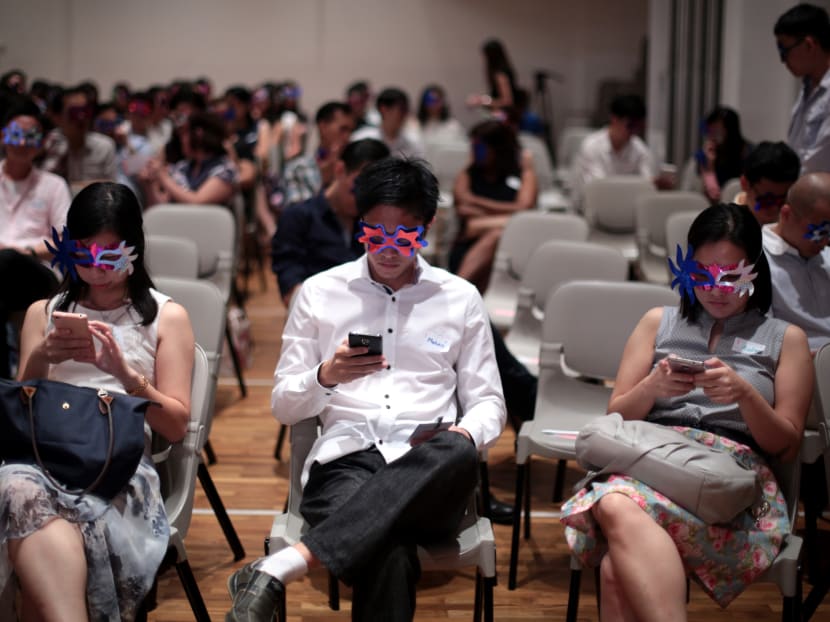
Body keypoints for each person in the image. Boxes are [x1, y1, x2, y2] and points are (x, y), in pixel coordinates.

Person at [226, 157, 506, 622]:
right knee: (388, 550)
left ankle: (278, 566)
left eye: (404, 236)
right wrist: (326, 375)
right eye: (375, 234)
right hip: (346, 461)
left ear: (429, 227)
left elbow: (490, 404)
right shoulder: (319, 293)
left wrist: (464, 434)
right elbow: (282, 404)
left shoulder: (459, 297)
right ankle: (278, 568)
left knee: (458, 447)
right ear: (359, 225)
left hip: (431, 467)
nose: (388, 249)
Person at [560, 202, 812, 619]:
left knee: (614, 527)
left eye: (731, 276)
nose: (716, 289)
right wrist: (653, 387)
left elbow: (786, 445)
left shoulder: (786, 339)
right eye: (702, 275)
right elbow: (617, 414)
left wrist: (744, 395)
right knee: (615, 540)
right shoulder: (657, 322)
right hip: (650, 459)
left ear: (755, 270)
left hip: (729, 485)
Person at [2, 182, 194, 621]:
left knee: (38, 522)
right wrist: (39, 356)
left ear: (134, 251)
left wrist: (126, 376)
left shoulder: (167, 317)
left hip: (117, 463)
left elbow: (176, 426)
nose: (95, 269)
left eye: (108, 257)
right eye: (83, 254)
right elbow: (20, 409)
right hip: (41, 455)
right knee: (18, 489)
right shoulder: (44, 312)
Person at [0, 97, 72, 378]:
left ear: (41, 142)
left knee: (5, 259)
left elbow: (63, 241)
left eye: (31, 136)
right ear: (4, 137)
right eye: (16, 134)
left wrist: (19, 251)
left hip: (37, 272)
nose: (22, 142)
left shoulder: (53, 185)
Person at [271, 138, 390, 307]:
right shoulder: (298, 218)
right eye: (358, 186)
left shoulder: (376, 224)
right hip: (315, 315)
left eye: (374, 191)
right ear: (340, 170)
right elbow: (291, 288)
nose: (364, 196)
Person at [448, 119, 538, 292]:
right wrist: (508, 217)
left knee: (496, 235)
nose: (474, 152)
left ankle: (454, 291)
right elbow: (463, 202)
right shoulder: (470, 171)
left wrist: (479, 211)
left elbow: (525, 207)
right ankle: (458, 293)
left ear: (497, 149)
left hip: (511, 254)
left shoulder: (521, 172)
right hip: (468, 246)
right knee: (496, 234)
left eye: (480, 147)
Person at [763, 171, 830, 352]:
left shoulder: (827, 256)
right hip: (801, 364)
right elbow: (761, 341)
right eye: (819, 232)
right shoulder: (757, 260)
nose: (825, 242)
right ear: (786, 214)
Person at [571, 94, 662, 209]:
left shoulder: (640, 150)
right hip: (591, 208)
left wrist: (654, 185)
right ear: (614, 119)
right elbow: (598, 189)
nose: (634, 131)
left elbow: (647, 187)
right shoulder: (591, 146)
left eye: (639, 127)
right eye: (630, 125)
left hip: (625, 208)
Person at [141, 111, 238, 209]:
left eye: (185, 134)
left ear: (199, 134)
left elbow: (197, 202)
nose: (181, 139)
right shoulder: (182, 167)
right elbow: (162, 208)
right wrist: (149, 185)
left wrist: (163, 176)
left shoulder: (225, 170)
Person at [775, 3, 830, 173]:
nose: (782, 60)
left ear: (809, 45)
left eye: (784, 50)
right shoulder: (808, 87)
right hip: (802, 193)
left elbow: (816, 162)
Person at [41, 85, 118, 189]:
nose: (81, 117)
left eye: (85, 111)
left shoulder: (104, 147)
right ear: (57, 117)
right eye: (75, 112)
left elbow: (111, 188)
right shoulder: (48, 144)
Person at [281, 101, 355, 208]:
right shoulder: (298, 168)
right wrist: (326, 180)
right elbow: (298, 214)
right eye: (343, 129)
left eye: (351, 131)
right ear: (323, 127)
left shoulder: (354, 168)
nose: (348, 137)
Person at [690, 107, 753, 203]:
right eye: (709, 131)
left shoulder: (748, 153)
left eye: (716, 131)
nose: (712, 136)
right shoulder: (709, 154)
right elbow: (713, 196)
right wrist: (709, 168)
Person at [733, 141, 800, 225]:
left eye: (782, 201)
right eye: (767, 201)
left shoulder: (795, 225)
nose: (775, 209)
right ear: (745, 183)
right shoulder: (726, 224)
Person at [350, 88, 424, 159]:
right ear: (384, 109)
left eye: (406, 110)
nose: (405, 115)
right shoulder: (361, 139)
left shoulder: (413, 142)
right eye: (401, 109)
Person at [466, 38, 520, 110]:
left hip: (509, 116)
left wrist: (481, 101)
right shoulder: (502, 71)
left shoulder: (500, 74)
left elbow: (507, 101)